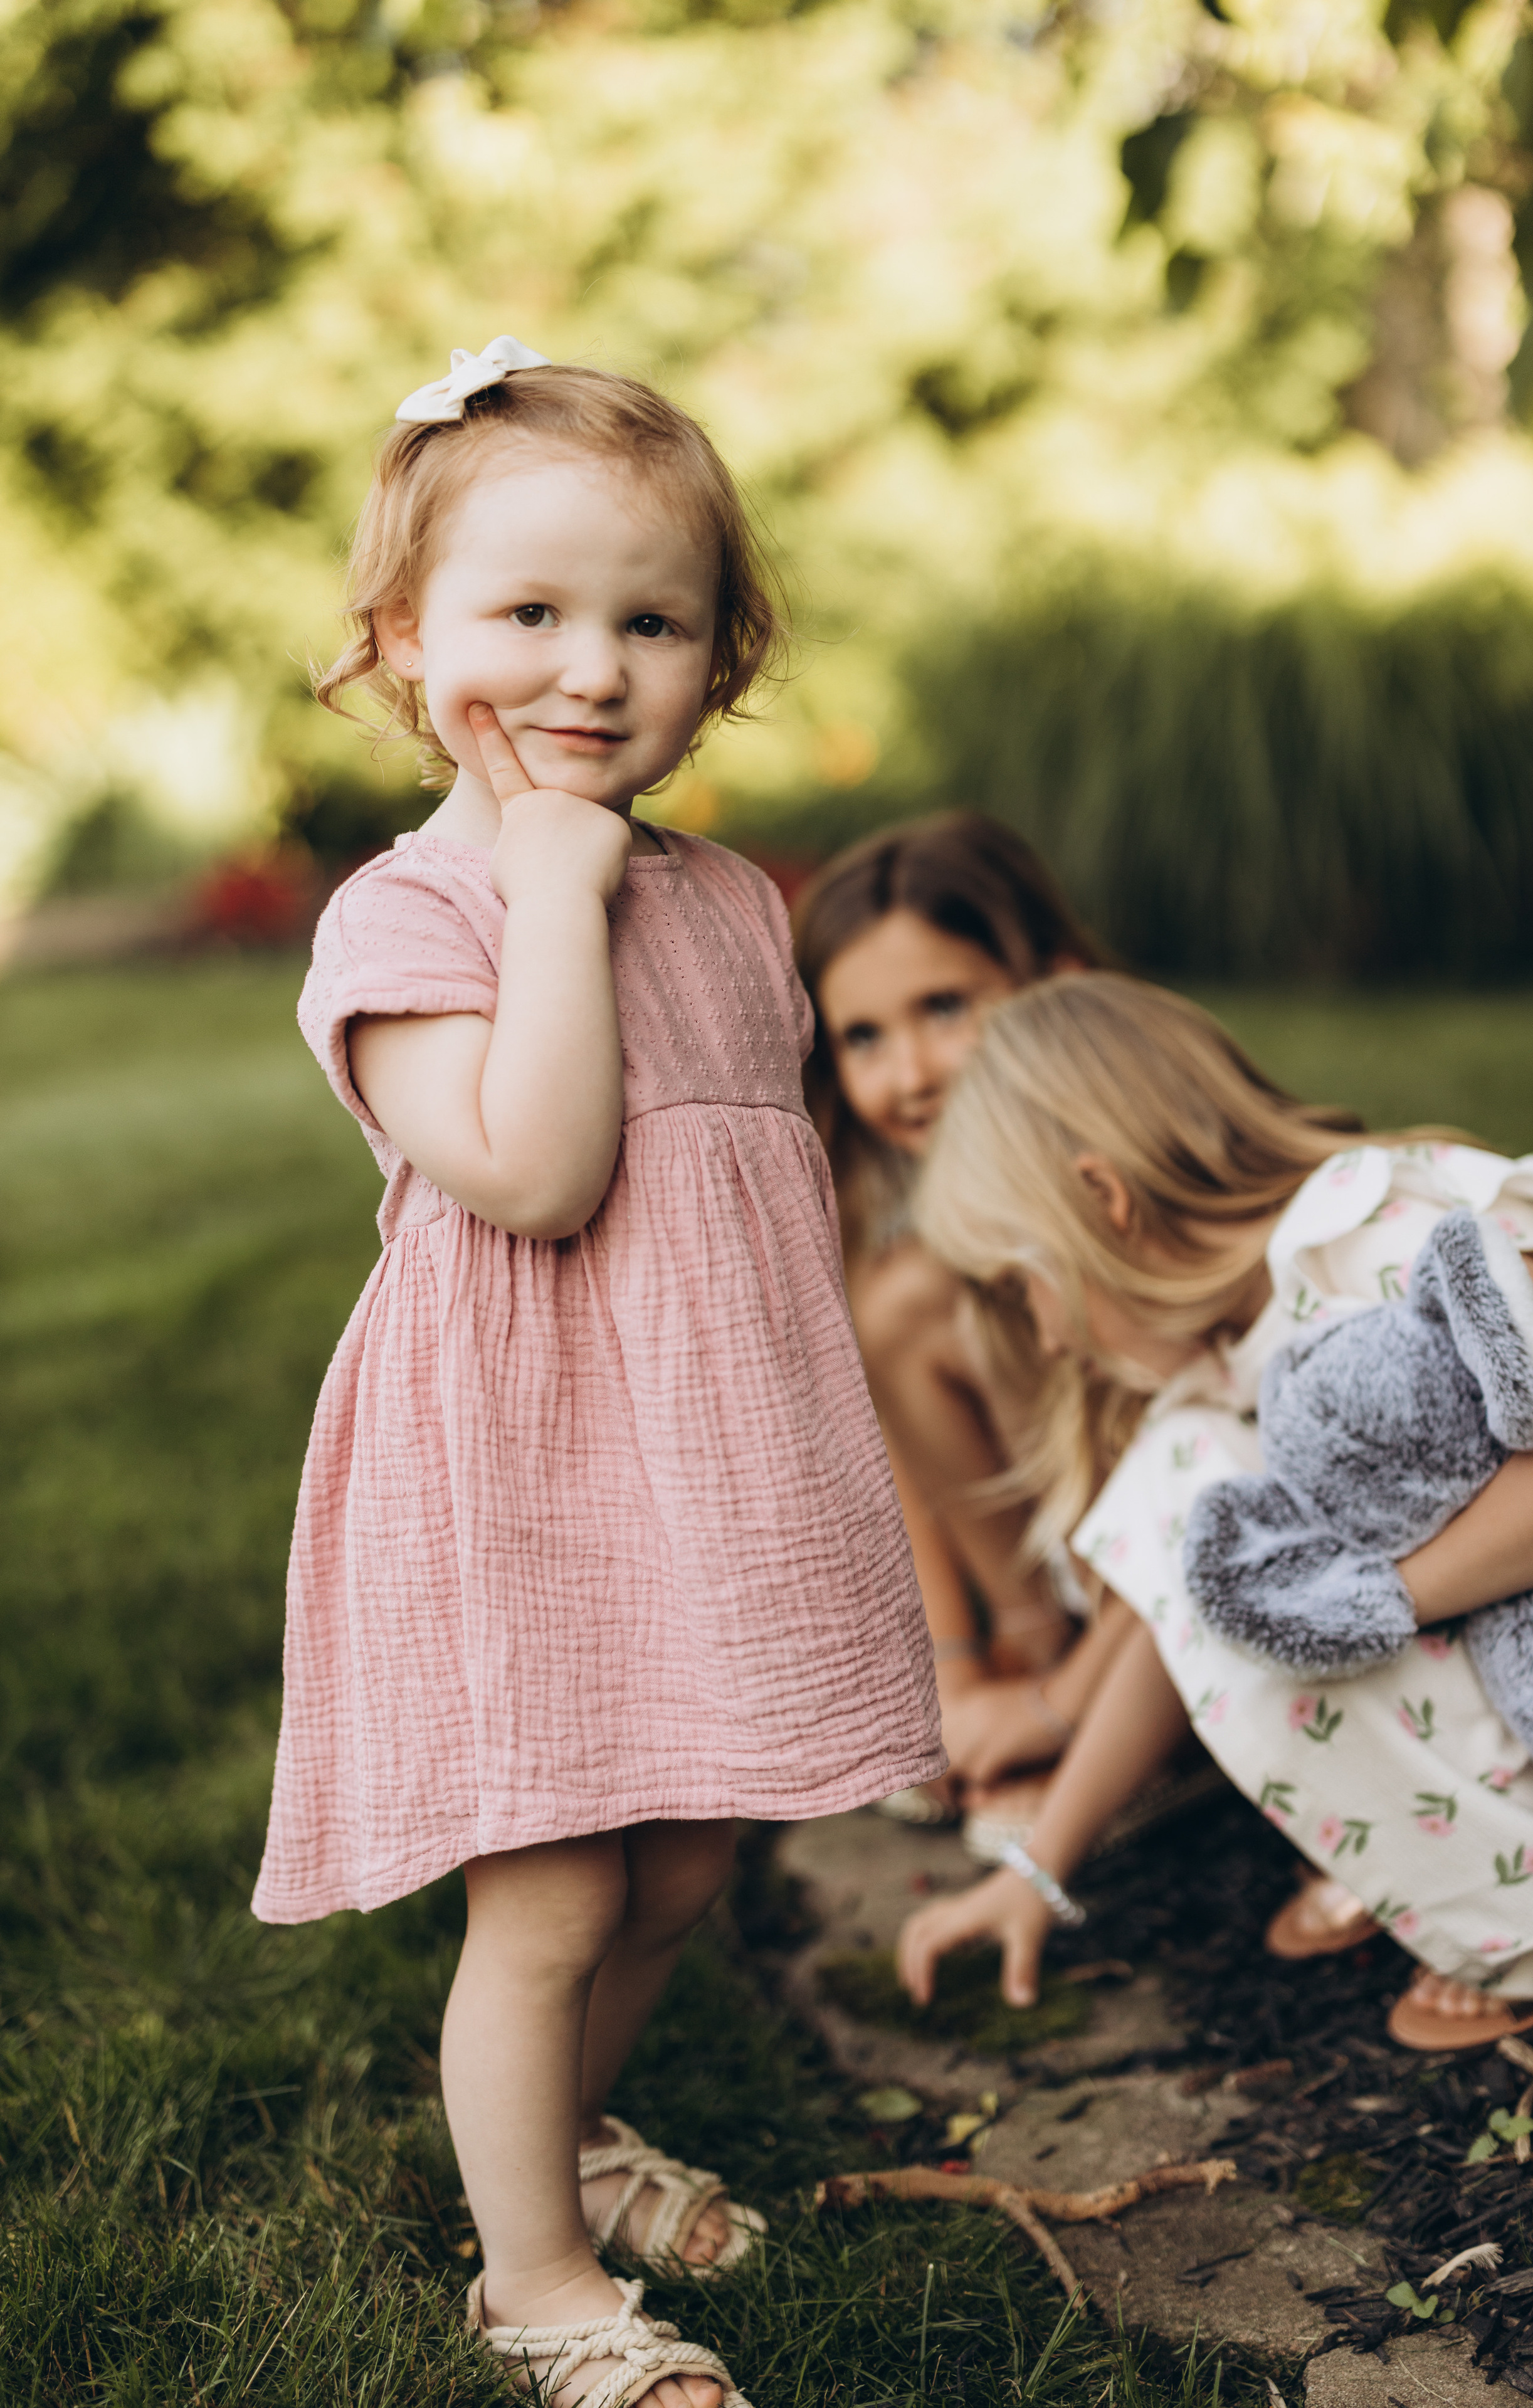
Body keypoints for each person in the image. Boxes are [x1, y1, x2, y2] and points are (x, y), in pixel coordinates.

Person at [253, 339, 942, 2405]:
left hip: (699, 1465)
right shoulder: (416, 917)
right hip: (520, 1475)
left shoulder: (730, 901)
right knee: (548, 1889)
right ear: (401, 643)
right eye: (526, 615)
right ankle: (536, 2284)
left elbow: (759, 1194)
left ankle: (559, 2141)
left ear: (727, 656)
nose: (588, 669)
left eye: (651, 621)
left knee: (682, 1861)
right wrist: (552, 889)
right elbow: (542, 1179)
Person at [896, 972, 1533, 2054]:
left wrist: (1392, 1598)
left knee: (1193, 1494)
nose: (1041, 1336)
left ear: (1104, 1201)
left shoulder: (1369, 1243)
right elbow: (1171, 1625)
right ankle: (1512, 1865)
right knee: (1197, 1504)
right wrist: (1044, 1866)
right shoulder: (1228, 1369)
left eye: (1023, 1285)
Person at [793, 818, 1127, 1822]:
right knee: (897, 1304)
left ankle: (1104, 1703)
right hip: (1045, 1549)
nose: (911, 1074)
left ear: (1055, 985)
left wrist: (1060, 1710)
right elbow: (894, 1446)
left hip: (1185, 1534)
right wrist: (949, 1664)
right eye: (864, 1036)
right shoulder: (873, 1186)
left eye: (945, 1008)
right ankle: (1032, 1648)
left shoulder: (1124, 1168)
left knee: (927, 1292)